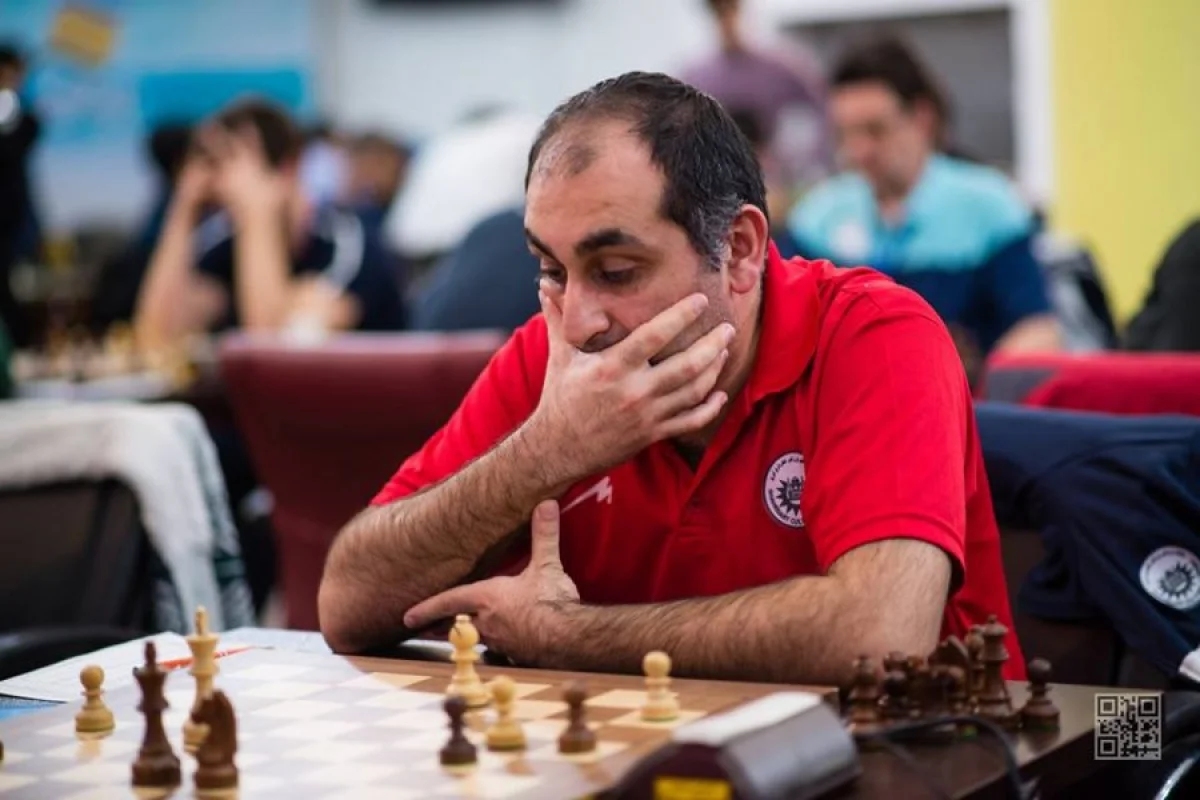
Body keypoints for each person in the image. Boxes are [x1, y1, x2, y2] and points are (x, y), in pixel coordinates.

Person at [318, 72, 1025, 686]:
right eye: (551, 269)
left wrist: (564, 635)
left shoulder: (876, 335)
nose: (579, 320)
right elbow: (346, 605)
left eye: (616, 271)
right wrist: (544, 454)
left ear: (739, 250)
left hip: (918, 759)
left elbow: (880, 635)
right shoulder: (553, 353)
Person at [787, 35, 1061, 362]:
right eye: (845, 134)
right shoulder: (817, 217)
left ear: (922, 118)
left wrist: (974, 379)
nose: (858, 151)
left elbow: (1038, 330)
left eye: (875, 130)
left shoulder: (990, 208)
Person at [133, 98, 406, 352]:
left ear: (287, 169)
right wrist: (185, 206)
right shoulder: (224, 243)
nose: (229, 185)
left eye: (239, 168)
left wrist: (257, 213)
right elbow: (156, 338)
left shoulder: (347, 245)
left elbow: (275, 348)